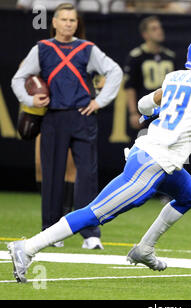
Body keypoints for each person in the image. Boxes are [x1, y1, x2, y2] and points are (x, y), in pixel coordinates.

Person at [7, 34, 191, 283]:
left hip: (163, 159)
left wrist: (151, 113)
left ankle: (145, 249)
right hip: (151, 161)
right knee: (96, 212)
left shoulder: (174, 77)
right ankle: (28, 247)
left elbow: (146, 103)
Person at [11, 3, 123, 251]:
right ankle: (52, 232)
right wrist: (30, 100)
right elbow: (18, 78)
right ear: (54, 22)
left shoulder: (87, 48)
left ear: (76, 24)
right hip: (53, 118)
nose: (68, 24)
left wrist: (100, 101)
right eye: (64, 19)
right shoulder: (42, 49)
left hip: (82, 117)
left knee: (87, 176)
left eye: (72, 20)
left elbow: (114, 71)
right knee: (52, 175)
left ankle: (90, 233)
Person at [123, 16, 176, 141]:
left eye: (160, 27)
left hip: (167, 112)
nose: (160, 31)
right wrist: (133, 113)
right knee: (144, 151)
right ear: (145, 34)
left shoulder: (170, 56)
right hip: (146, 111)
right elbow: (130, 87)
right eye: (154, 29)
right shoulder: (136, 56)